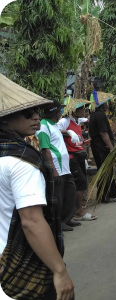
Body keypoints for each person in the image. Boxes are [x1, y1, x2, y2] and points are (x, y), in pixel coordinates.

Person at [0, 101, 74, 300]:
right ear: (5, 118)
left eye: (36, 112)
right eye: (27, 113)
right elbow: (32, 221)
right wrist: (59, 271)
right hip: (22, 260)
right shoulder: (22, 161)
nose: (35, 117)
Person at [36, 100, 79, 232]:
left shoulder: (52, 124)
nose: (61, 112)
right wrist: (53, 170)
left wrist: (69, 132)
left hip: (64, 167)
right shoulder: (43, 127)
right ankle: (58, 223)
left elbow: (59, 133)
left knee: (70, 193)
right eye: (59, 110)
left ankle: (66, 219)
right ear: (54, 112)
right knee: (58, 198)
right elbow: (45, 149)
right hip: (57, 168)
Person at [57, 102, 97, 222]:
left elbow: (86, 120)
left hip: (79, 154)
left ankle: (76, 208)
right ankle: (78, 211)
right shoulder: (65, 121)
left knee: (81, 181)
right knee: (79, 181)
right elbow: (56, 130)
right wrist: (68, 132)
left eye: (83, 108)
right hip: (71, 155)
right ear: (72, 111)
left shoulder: (78, 121)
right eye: (79, 109)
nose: (82, 111)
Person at [89, 98, 116, 203]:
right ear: (102, 104)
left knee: (108, 170)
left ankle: (113, 191)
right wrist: (111, 147)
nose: (107, 104)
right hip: (101, 147)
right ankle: (103, 196)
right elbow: (103, 133)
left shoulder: (96, 114)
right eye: (106, 102)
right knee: (104, 171)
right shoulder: (100, 116)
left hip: (99, 146)